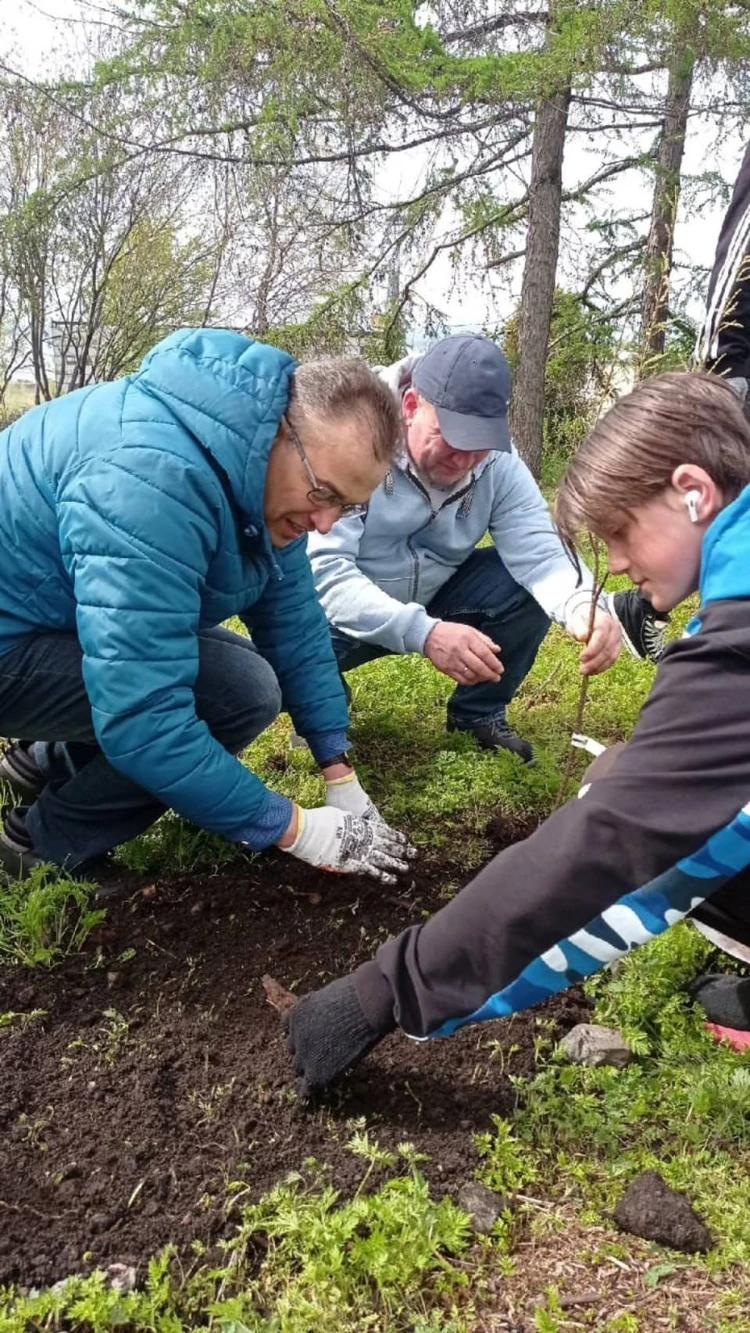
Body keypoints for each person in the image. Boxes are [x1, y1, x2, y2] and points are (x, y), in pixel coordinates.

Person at [285, 369, 750, 1094]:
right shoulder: (358, 450)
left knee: (655, 810)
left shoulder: (739, 639)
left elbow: (611, 839)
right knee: (637, 776)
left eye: (620, 534)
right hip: (352, 620)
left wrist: (384, 989)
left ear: (694, 489)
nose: (618, 565)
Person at [0, 328, 415, 885]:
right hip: (11, 640)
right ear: (280, 434)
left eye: (347, 506)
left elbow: (294, 623)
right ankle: (39, 843)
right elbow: (146, 719)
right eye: (324, 494)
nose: (325, 523)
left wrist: (339, 771)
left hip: (38, 613)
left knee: (241, 682)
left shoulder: (250, 465)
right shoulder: (150, 482)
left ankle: (38, 765)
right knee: (230, 697)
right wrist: (293, 828)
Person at [307, 334, 622, 765]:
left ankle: (477, 714)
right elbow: (326, 573)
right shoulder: (354, 438)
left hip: (435, 595)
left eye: (480, 444)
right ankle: (322, 700)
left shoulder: (497, 464)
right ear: (412, 406)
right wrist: (425, 633)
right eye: (451, 438)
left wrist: (584, 603)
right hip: (330, 618)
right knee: (287, 655)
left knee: (521, 582)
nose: (464, 460)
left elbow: (543, 553)